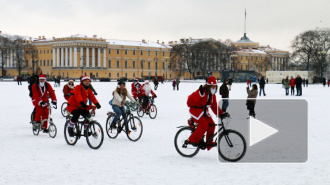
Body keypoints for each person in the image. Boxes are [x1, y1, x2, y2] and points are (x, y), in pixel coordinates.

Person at [186, 76, 227, 151]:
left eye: (215, 86)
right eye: (212, 86)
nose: (214, 87)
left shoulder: (212, 95)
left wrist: (221, 114)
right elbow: (191, 99)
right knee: (204, 124)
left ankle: (209, 142)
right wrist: (200, 93)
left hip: (204, 111)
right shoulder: (202, 91)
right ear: (208, 86)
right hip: (196, 110)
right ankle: (193, 140)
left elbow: (214, 106)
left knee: (212, 124)